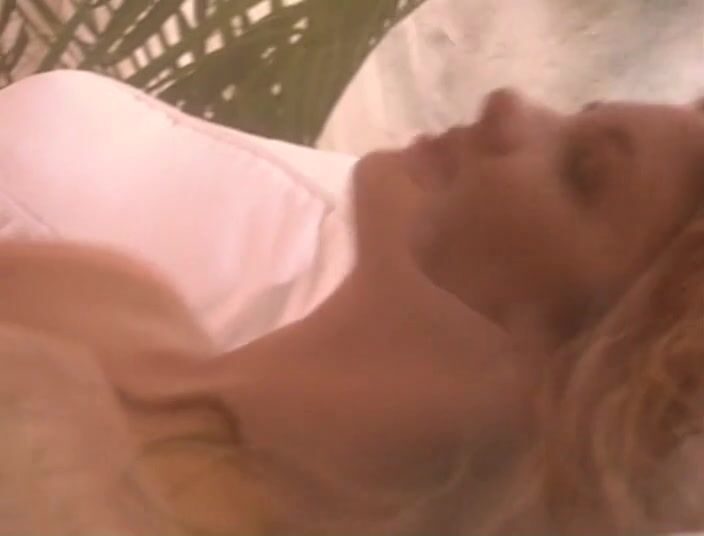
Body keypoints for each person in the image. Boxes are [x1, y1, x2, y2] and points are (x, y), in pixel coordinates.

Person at [1, 88, 704, 535]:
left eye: (583, 171)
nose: (507, 103)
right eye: (583, 109)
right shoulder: (111, 292)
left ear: (602, 394)